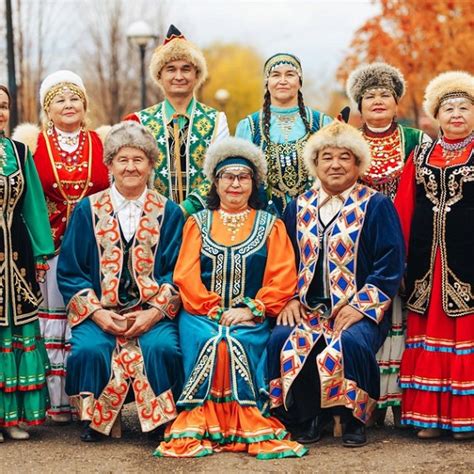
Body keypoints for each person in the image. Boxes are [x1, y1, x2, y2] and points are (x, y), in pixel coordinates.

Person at [155, 137, 306, 459]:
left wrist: (252, 309)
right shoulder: (197, 223)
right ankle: (203, 423)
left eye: (243, 177)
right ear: (215, 182)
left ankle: (243, 422)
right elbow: (186, 275)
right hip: (199, 315)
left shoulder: (271, 225)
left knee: (231, 340)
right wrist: (212, 309)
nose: (235, 184)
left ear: (254, 183)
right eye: (228, 177)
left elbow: (283, 277)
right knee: (216, 340)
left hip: (251, 317)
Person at [267, 121, 405, 447]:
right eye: (327, 157)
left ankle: (355, 417)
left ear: (358, 164)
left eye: (345, 157)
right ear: (315, 163)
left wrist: (360, 307)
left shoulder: (375, 205)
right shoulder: (297, 207)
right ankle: (305, 416)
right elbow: (283, 261)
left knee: (351, 342)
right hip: (307, 307)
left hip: (358, 308)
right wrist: (287, 299)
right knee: (283, 338)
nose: (335, 164)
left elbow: (390, 263)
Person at [57, 121, 184, 442]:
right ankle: (97, 420)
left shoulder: (169, 212)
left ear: (151, 164)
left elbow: (177, 271)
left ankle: (160, 419)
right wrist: (98, 313)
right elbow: (71, 270)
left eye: (138, 159)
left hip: (151, 313)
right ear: (110, 163)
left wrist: (153, 313)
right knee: (89, 349)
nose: (130, 167)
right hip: (100, 312)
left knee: (163, 348)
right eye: (122, 160)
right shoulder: (88, 210)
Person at [12, 71, 110, 423]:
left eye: (74, 98)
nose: (68, 105)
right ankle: (55, 403)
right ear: (47, 109)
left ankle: (88, 397)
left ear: (85, 105)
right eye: (59, 100)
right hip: (48, 246)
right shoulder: (33, 144)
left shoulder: (103, 143)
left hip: (95, 247)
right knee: (52, 322)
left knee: (86, 317)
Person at [346, 62, 431, 426]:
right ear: (358, 105)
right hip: (361, 246)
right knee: (371, 317)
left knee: (407, 321)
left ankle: (404, 402)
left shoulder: (416, 140)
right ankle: (371, 401)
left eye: (385, 95)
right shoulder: (346, 141)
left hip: (411, 240)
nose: (377, 101)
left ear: (397, 102)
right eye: (369, 96)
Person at [394, 71, 474, 440]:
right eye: (448, 108)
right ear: (436, 115)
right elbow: (405, 207)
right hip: (427, 263)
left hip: (467, 262)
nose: (456, 115)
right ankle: (428, 418)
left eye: (464, 107)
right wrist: (400, 261)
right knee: (427, 332)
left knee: (465, 333)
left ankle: (463, 420)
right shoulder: (422, 153)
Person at [124, 25, 229, 217]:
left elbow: (220, 171)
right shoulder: (139, 121)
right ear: (159, 75)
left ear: (197, 75)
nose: (178, 76)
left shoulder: (216, 120)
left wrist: (186, 209)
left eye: (186, 69)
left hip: (206, 223)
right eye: (171, 69)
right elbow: (131, 174)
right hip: (152, 222)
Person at [0, 85, 55, 442]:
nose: (0, 112)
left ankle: (11, 418)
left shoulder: (19, 152)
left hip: (16, 254)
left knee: (16, 330)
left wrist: (40, 251)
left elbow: (33, 204)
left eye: (3, 106)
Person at [236, 53, 331, 215]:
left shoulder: (322, 123)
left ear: (300, 82)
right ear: (267, 83)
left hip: (316, 216)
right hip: (265, 219)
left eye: (290, 74)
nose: (283, 81)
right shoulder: (250, 126)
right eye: (275, 75)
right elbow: (240, 175)